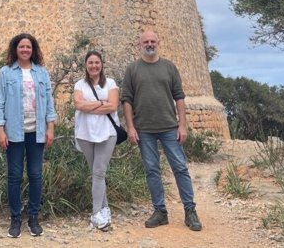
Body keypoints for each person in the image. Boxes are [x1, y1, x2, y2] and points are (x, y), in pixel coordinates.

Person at [121, 29, 203, 232]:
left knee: (180, 168)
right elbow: (127, 100)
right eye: (146, 41)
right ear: (139, 44)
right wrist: (130, 127)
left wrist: (182, 125)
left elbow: (180, 97)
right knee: (152, 171)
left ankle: (190, 210)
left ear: (159, 43)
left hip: (169, 127)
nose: (149, 44)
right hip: (144, 129)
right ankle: (160, 212)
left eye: (153, 41)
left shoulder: (169, 67)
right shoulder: (133, 69)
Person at [0, 33, 57, 238]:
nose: (25, 50)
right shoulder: (6, 72)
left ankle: (33, 217)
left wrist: (50, 128)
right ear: (15, 49)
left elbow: (49, 101)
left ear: (33, 50)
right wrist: (0, 130)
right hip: (13, 133)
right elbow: (0, 102)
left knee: (36, 175)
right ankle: (15, 219)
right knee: (14, 176)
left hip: (36, 132)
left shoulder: (41, 73)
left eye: (28, 47)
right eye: (21, 47)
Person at [73, 51, 120, 231]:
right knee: (96, 174)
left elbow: (113, 105)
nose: (94, 66)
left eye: (97, 62)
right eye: (90, 62)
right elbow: (78, 105)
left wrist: (89, 105)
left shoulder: (111, 83)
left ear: (102, 64)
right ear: (86, 65)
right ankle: (104, 210)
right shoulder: (79, 84)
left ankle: (95, 214)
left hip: (107, 133)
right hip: (85, 133)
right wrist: (102, 103)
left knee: (99, 172)